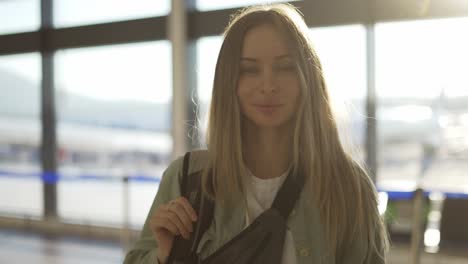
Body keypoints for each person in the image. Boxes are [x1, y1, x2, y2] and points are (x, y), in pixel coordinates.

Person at [124, 3, 389, 264]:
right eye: (249, 70)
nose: (268, 85)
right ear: (229, 82)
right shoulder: (188, 180)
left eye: (285, 67)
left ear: (307, 77)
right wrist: (163, 256)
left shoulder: (347, 187)